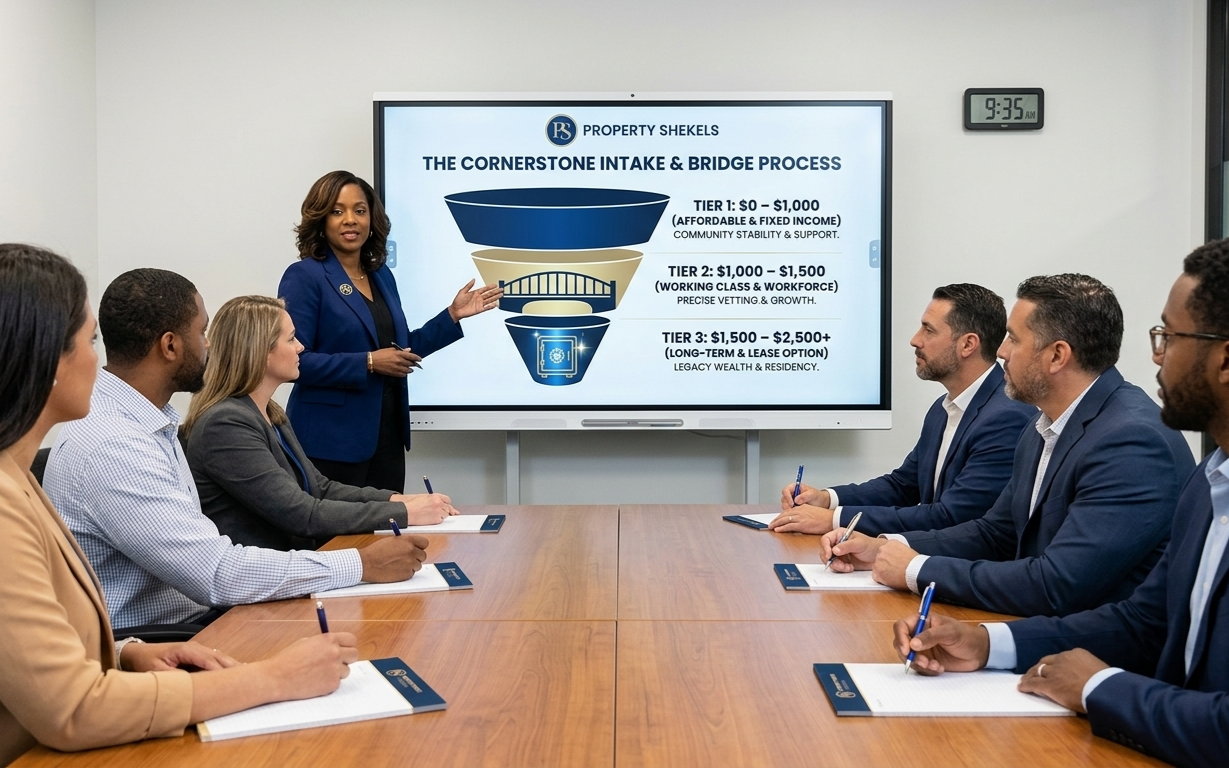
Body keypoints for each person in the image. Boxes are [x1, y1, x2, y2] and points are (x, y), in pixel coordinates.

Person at [0, 244, 362, 763]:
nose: (97, 362)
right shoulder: (97, 449)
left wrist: (125, 655)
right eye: (88, 342)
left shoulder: (23, 474)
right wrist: (272, 679)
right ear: (42, 360)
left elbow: (31, 647)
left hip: (148, 648)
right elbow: (74, 709)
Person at [892, 244, 1229, 767]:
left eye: (1170, 336)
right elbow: (1147, 621)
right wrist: (984, 643)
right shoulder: (1213, 480)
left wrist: (1098, 687)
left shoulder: (1133, 439)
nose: (1157, 355)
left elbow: (1058, 583)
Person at [44, 268, 430, 630]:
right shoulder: (115, 445)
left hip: (196, 618)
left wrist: (392, 514)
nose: (210, 344)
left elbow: (314, 492)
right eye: (202, 331)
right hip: (170, 636)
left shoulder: (150, 422)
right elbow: (215, 573)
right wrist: (360, 563)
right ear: (170, 345)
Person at [822, 274, 1194, 617]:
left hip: (1097, 657)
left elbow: (1057, 584)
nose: (1000, 352)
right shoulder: (1043, 423)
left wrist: (916, 568)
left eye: (1014, 339)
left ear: (1057, 356)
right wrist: (885, 547)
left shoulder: (1130, 441)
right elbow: (995, 533)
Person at [278, 170, 502, 493]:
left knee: (385, 538)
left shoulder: (381, 275)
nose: (350, 220)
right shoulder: (304, 277)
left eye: (359, 210)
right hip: (330, 444)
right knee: (334, 541)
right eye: (337, 211)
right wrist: (368, 362)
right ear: (321, 219)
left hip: (386, 438)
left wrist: (452, 316)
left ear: (372, 218)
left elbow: (398, 350)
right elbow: (295, 361)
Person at [183, 295, 458, 550]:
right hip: (260, 583)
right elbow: (302, 514)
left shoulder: (270, 411)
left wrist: (395, 499)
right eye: (291, 339)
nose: (301, 347)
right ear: (260, 352)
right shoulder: (225, 424)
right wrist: (405, 513)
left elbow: (320, 488)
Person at [770, 284, 1035, 537]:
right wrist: (826, 499)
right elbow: (904, 486)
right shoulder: (943, 408)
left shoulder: (1005, 417)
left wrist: (834, 519)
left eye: (928, 330)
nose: (915, 340)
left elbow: (952, 517)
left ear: (968, 344)